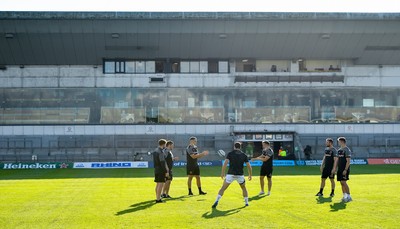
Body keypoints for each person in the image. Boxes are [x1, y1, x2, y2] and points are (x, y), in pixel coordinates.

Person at [212, 142, 252, 208]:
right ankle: (246, 203)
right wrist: (250, 175)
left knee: (223, 188)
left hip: (230, 174)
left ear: (234, 147)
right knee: (243, 188)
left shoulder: (230, 154)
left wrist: (222, 173)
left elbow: (225, 163)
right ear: (240, 147)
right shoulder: (244, 155)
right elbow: (249, 166)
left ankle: (217, 201)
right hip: (240, 175)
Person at [336, 137, 352, 202]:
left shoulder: (347, 150)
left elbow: (348, 161)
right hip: (339, 169)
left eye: (339, 141)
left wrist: (345, 169)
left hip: (344, 169)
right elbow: (337, 160)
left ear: (342, 141)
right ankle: (344, 196)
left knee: (344, 182)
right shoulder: (339, 150)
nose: (338, 143)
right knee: (341, 183)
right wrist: (335, 168)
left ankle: (349, 196)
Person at [153, 139, 169, 203]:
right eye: (165, 144)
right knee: (161, 184)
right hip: (160, 169)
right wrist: (166, 171)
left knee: (157, 184)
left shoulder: (155, 150)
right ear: (163, 144)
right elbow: (162, 162)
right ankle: (158, 199)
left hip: (156, 169)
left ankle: (157, 197)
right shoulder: (160, 152)